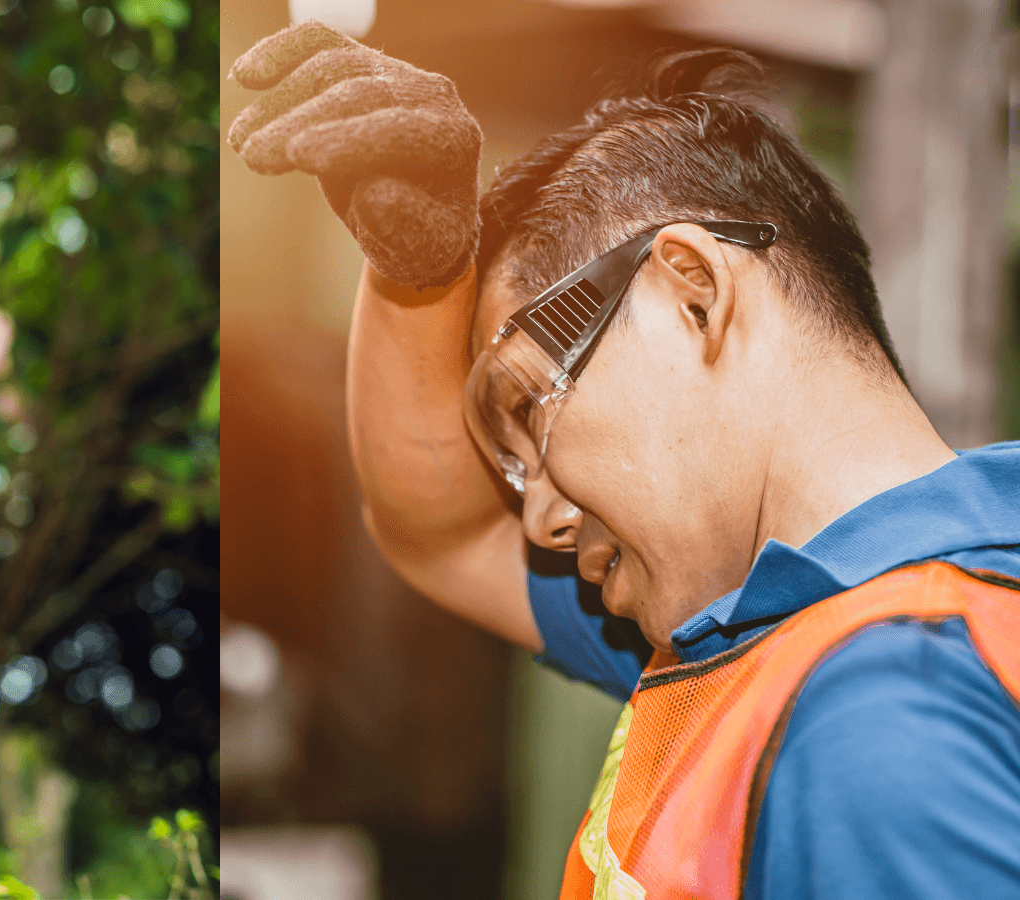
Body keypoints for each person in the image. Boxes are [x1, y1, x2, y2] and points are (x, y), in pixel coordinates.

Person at [230, 22, 1020, 899]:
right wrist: (418, 272)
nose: (542, 518)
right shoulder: (757, 628)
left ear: (692, 292)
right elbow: (441, 532)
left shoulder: (880, 718)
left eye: (532, 407)